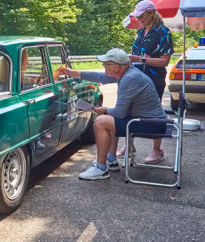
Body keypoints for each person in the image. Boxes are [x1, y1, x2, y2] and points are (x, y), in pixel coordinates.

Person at [59, 48, 166, 180]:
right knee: (109, 117)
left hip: (152, 124)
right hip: (148, 120)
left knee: (101, 121)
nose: (103, 66)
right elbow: (99, 77)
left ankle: (101, 169)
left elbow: (120, 113)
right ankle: (110, 159)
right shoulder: (128, 72)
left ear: (116, 67)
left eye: (106, 64)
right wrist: (71, 72)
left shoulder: (129, 78)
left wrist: (103, 110)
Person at [124, 0, 174, 164]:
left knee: (154, 113)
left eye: (141, 16)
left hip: (154, 79)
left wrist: (141, 59)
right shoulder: (139, 33)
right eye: (137, 16)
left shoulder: (163, 32)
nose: (139, 19)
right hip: (136, 78)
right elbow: (134, 56)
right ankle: (128, 145)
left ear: (151, 13)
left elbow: (165, 61)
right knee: (130, 110)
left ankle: (157, 150)